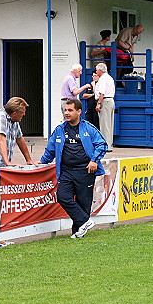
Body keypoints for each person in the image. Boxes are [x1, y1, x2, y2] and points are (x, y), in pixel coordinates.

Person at [38, 99, 108, 239]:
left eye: (70, 110)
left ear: (79, 111)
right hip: (66, 171)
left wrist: (94, 160)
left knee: (84, 202)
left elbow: (102, 145)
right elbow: (50, 149)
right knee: (62, 197)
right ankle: (86, 222)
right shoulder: (59, 129)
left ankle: (78, 232)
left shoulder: (88, 128)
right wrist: (41, 162)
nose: (67, 113)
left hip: (85, 171)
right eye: (65, 110)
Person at [94, 63, 115, 152]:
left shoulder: (102, 79)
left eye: (96, 70)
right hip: (110, 100)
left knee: (104, 124)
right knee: (109, 124)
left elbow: (102, 93)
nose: (96, 72)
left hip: (105, 101)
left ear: (100, 70)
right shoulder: (110, 78)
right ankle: (109, 144)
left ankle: (106, 146)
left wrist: (99, 103)